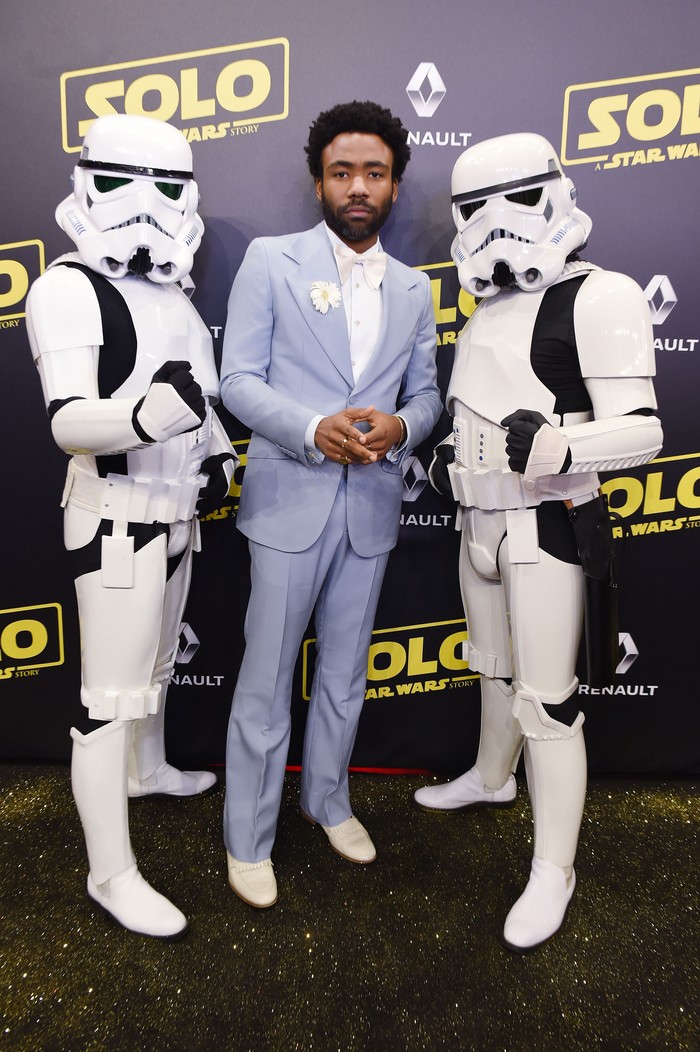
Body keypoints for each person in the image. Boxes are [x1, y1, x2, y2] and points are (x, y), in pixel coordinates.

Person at [414, 133, 662, 952]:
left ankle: (555, 867)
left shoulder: (602, 294)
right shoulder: (487, 306)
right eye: (472, 209)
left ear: (555, 193)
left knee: (548, 703)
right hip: (476, 521)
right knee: (492, 669)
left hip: (546, 522)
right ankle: (490, 779)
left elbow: (645, 429)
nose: (493, 225)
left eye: (513, 200)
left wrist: (566, 449)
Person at [220, 100, 441, 908]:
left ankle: (328, 801)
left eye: (373, 174)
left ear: (393, 185)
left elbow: (426, 397)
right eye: (342, 171)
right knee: (267, 679)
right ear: (319, 181)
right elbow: (236, 382)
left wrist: (404, 427)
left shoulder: (416, 290)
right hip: (288, 504)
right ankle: (248, 838)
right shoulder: (270, 262)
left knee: (345, 677)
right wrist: (313, 428)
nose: (358, 186)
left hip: (372, 508)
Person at [26, 114, 236, 939]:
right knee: (109, 701)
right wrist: (148, 417)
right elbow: (71, 421)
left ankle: (147, 773)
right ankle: (109, 873)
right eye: (120, 184)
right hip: (115, 519)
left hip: (178, 513)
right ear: (86, 186)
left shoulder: (175, 299)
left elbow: (205, 408)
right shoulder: (67, 287)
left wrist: (212, 455)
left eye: (165, 189)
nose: (144, 207)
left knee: (152, 669)